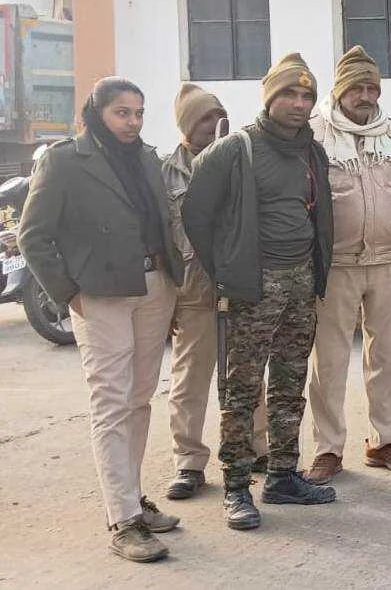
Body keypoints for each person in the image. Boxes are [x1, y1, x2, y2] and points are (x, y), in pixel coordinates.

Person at [19, 78, 185, 562]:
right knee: (111, 402)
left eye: (138, 112)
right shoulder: (65, 160)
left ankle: (132, 497)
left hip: (154, 287)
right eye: (121, 113)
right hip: (101, 295)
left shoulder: (147, 157)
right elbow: (33, 236)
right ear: (97, 113)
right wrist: (69, 294)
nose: (132, 122)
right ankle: (122, 518)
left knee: (139, 399)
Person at [183, 52, 336, 531]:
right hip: (252, 286)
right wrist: (228, 270)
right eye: (289, 93)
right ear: (269, 98)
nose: (298, 103)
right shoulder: (234, 150)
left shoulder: (313, 151)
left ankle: (284, 476)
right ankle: (235, 488)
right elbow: (195, 215)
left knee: (290, 385)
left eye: (307, 95)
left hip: (300, 282)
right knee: (241, 390)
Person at [306, 46, 391, 483]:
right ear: (339, 91)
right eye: (355, 88)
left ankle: (384, 441)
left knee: (387, 356)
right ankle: (327, 449)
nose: (364, 96)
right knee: (330, 360)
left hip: (390, 263)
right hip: (336, 265)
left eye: (371, 87)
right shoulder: (315, 135)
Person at [162, 85, 269, 500]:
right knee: (189, 380)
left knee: (248, 373)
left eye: (217, 116)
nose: (212, 125)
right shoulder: (166, 172)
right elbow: (161, 236)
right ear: (187, 125)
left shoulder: (239, 159)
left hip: (239, 285)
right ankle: (188, 461)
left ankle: (256, 447)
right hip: (193, 290)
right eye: (204, 118)